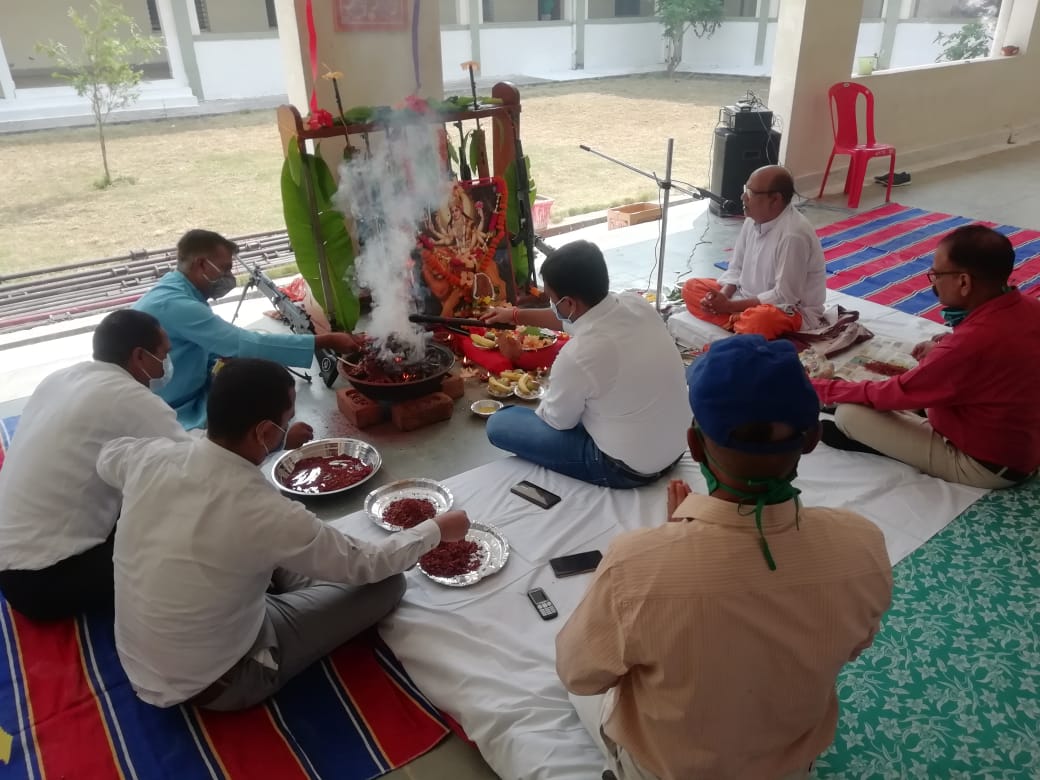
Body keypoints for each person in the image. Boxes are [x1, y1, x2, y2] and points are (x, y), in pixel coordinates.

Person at [556, 335, 893, 780]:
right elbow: (852, 646)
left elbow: (580, 675)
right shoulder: (863, 545)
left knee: (587, 677)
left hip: (668, 770)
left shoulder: (635, 566)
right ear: (812, 439)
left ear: (694, 446)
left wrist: (674, 543)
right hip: (786, 767)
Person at [97, 358, 470, 710]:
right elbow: (367, 565)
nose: (287, 428)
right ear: (263, 431)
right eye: (285, 420)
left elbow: (107, 458)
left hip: (144, 660)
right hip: (225, 679)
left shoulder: (151, 456)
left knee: (272, 551)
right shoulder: (262, 509)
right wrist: (434, 530)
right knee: (388, 585)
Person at [814, 224, 1040, 488]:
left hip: (987, 465)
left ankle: (876, 442)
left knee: (850, 415)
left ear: (964, 282)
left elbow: (892, 393)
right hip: (1021, 443)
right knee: (892, 392)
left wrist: (821, 389)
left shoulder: (966, 346)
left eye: (936, 275)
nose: (933, 283)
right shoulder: (1030, 307)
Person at [0, 310, 190, 620]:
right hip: (44, 581)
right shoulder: (130, 397)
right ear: (139, 356)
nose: (167, 365)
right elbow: (202, 469)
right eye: (164, 355)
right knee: (187, 527)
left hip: (10, 559)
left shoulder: (61, 377)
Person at [480, 240, 689, 489]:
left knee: (501, 423)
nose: (550, 305)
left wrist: (560, 390)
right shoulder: (636, 304)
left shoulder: (579, 353)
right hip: (675, 448)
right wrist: (514, 315)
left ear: (569, 303)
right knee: (593, 393)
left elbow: (559, 422)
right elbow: (568, 320)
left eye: (551, 299)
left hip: (626, 468)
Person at [134, 229, 360, 429]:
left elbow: (215, 347)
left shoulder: (177, 288)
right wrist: (326, 341)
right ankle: (275, 442)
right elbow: (244, 344)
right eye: (224, 269)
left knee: (253, 364)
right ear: (201, 264)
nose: (230, 278)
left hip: (188, 389)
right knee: (262, 387)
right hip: (177, 408)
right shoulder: (176, 305)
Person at [682, 165, 827, 337]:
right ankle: (741, 325)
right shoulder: (753, 219)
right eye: (745, 190)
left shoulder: (793, 235)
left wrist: (728, 307)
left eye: (750, 193)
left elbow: (784, 297)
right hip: (743, 298)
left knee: (761, 321)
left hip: (787, 310)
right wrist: (722, 297)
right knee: (691, 288)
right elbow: (736, 269)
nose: (743, 196)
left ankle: (741, 323)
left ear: (775, 199)